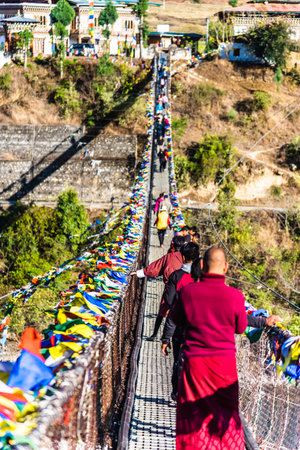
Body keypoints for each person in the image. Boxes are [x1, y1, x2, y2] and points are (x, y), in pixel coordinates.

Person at [169, 247, 247, 449]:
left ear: (202, 265)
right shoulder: (236, 296)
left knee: (192, 411)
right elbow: (241, 328)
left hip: (195, 364)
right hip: (225, 365)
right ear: (226, 267)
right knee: (227, 411)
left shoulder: (187, 292)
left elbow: (176, 318)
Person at [161, 245, 200, 398]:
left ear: (182, 257)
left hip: (179, 327)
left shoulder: (176, 276)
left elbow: (169, 300)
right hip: (198, 331)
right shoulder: (204, 283)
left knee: (178, 360)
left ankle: (176, 391)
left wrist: (165, 339)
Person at [131, 236, 186, 340]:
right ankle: (176, 335)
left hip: (170, 287)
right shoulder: (185, 258)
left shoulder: (169, 257)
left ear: (173, 245)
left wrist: (139, 273)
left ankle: (154, 334)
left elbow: (155, 268)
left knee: (163, 310)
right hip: (184, 288)